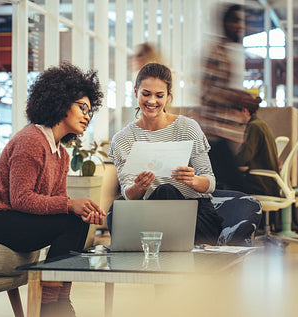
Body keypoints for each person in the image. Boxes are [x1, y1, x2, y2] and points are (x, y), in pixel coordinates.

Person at [0, 62, 106, 317]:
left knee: (77, 220)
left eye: (90, 110)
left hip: (11, 217)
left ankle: (56, 299)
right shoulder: (31, 139)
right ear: (60, 102)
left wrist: (78, 208)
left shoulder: (60, 153)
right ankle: (50, 305)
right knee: (72, 218)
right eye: (82, 107)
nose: (87, 115)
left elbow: (56, 201)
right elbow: (21, 199)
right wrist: (71, 205)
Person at [108, 62, 223, 245]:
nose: (152, 101)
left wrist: (193, 180)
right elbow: (128, 193)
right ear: (136, 91)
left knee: (167, 191)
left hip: (195, 216)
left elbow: (210, 182)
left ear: (168, 96)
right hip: (151, 214)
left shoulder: (187, 127)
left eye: (159, 95)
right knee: (117, 210)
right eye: (146, 94)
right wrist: (139, 187)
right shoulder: (123, 139)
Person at [196, 4, 252, 192]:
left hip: (223, 135)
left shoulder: (226, 52)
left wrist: (238, 97)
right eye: (236, 21)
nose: (240, 27)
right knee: (240, 191)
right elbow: (206, 92)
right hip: (214, 136)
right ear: (224, 23)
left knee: (225, 191)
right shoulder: (215, 52)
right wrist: (237, 98)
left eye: (241, 22)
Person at [236, 95, 280, 197]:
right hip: (268, 184)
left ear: (245, 111)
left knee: (222, 186)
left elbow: (244, 157)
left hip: (260, 184)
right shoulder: (261, 124)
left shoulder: (254, 126)